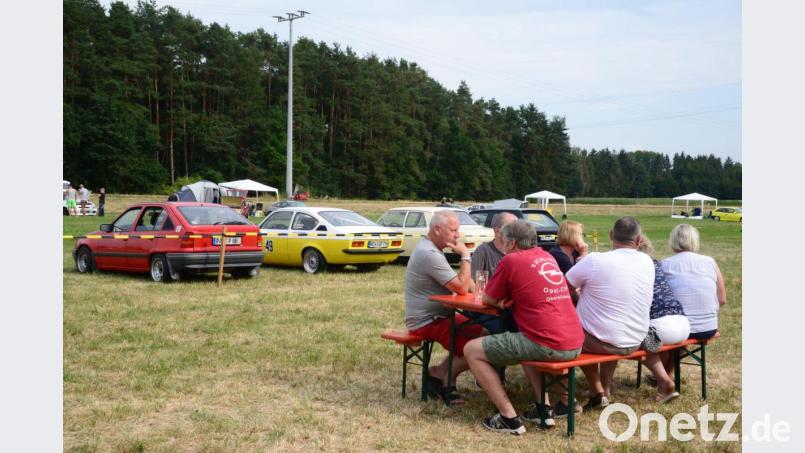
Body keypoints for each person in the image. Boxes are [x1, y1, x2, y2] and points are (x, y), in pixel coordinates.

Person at [463, 220, 583, 435]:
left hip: (547, 343)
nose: (502, 244)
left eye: (504, 240)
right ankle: (543, 408)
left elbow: (488, 298)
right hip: (574, 341)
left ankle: (508, 418)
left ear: (512, 243)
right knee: (524, 339)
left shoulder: (511, 260)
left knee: (471, 349)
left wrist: (502, 302)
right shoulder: (547, 257)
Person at [565, 216, 654, 409]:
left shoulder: (595, 260)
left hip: (603, 340)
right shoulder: (647, 261)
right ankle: (605, 388)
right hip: (635, 339)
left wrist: (579, 297)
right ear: (639, 240)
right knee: (606, 325)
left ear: (611, 235)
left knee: (574, 335)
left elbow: (564, 287)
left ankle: (596, 391)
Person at [405, 210, 481, 405]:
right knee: (480, 346)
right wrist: (466, 255)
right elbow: (461, 287)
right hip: (427, 321)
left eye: (458, 230)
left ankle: (438, 373)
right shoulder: (429, 253)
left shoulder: (432, 249)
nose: (457, 235)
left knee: (486, 332)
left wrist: (482, 292)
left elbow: (464, 284)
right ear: (437, 229)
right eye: (453, 230)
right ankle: (447, 381)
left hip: (441, 316)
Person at [636, 235, 690, 403]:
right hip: (683, 324)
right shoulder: (656, 264)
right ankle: (662, 378)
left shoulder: (634, 267)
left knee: (629, 340)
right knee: (658, 343)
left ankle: (664, 380)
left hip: (661, 327)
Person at [661, 224, 727, 341]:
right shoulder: (710, 262)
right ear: (695, 241)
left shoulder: (666, 264)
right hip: (708, 328)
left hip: (679, 329)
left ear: (673, 241)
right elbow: (722, 299)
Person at [469, 212, 518, 334]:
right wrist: (489, 300)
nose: (516, 232)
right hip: (489, 310)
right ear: (497, 231)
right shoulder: (483, 251)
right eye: (512, 228)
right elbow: (471, 282)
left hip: (511, 308)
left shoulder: (518, 252)